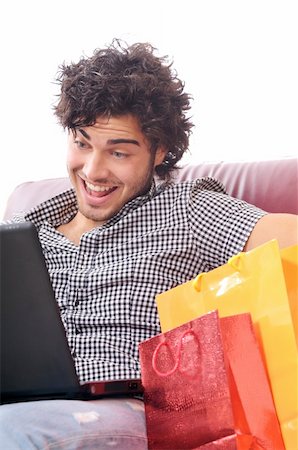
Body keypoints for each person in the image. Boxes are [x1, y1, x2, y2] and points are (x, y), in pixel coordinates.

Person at [0, 39, 297, 449]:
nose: (93, 170)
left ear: (159, 152)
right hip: (19, 405)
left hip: (136, 412)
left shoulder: (188, 210)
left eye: (118, 152)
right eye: (82, 143)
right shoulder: (20, 235)